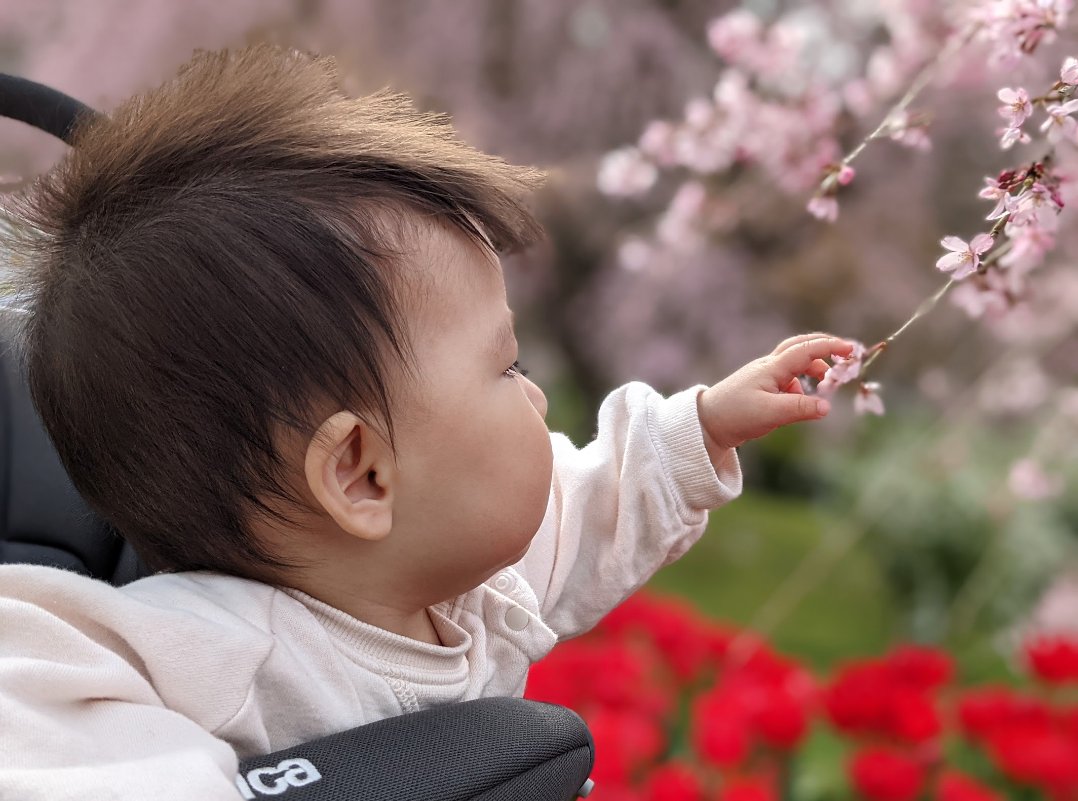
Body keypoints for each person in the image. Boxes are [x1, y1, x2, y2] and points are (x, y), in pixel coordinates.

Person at [0, 44, 853, 799]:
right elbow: (27, 671)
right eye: (508, 366)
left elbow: (587, 505)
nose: (537, 397)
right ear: (362, 473)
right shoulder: (217, 645)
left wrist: (700, 430)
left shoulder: (471, 581)